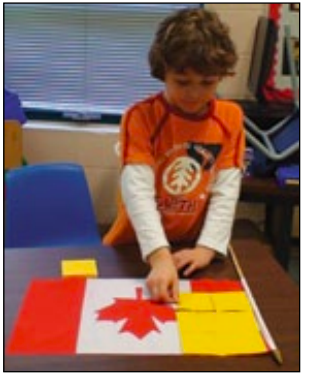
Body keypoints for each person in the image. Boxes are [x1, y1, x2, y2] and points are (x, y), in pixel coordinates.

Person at [104, 7, 245, 303]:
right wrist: (158, 256)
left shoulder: (230, 118)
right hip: (137, 246)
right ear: (162, 71)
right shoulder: (139, 117)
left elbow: (225, 191)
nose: (194, 93)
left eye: (207, 83)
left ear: (221, 76)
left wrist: (207, 248)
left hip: (190, 247)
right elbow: (137, 192)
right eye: (182, 82)